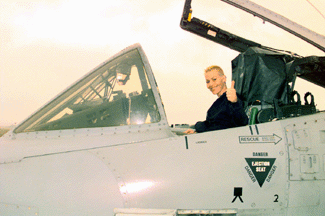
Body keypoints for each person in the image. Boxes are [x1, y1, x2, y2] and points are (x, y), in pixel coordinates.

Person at [185, 65, 248, 134]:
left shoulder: (232, 99)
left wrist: (235, 102)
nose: (211, 84)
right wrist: (196, 131)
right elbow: (212, 125)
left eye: (214, 79)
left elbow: (242, 122)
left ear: (224, 79)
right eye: (208, 81)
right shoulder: (218, 104)